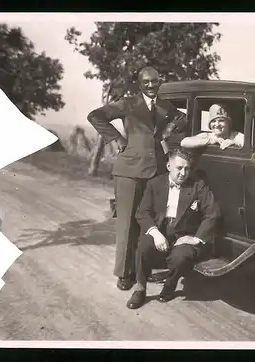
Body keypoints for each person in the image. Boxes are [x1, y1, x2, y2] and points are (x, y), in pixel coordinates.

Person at [86, 66, 188, 291]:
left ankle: (142, 269)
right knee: (126, 225)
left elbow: (182, 117)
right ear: (139, 83)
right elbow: (95, 116)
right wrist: (117, 139)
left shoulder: (164, 106)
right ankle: (124, 273)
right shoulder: (128, 103)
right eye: (147, 82)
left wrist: (169, 128)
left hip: (156, 172)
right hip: (129, 172)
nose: (152, 85)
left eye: (155, 81)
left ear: (160, 81)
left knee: (149, 223)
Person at [126, 148, 222, 309]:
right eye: (179, 168)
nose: (183, 173)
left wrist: (196, 238)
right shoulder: (154, 184)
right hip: (160, 230)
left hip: (184, 235)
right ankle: (140, 288)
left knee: (181, 256)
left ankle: (169, 287)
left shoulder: (198, 185)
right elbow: (142, 212)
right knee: (143, 246)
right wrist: (156, 234)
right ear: (169, 166)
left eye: (187, 168)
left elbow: (213, 213)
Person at [180, 104, 244, 150]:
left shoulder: (236, 135)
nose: (217, 124)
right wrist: (211, 141)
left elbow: (249, 147)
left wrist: (234, 143)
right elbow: (184, 143)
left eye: (221, 120)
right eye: (213, 121)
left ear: (229, 123)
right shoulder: (209, 136)